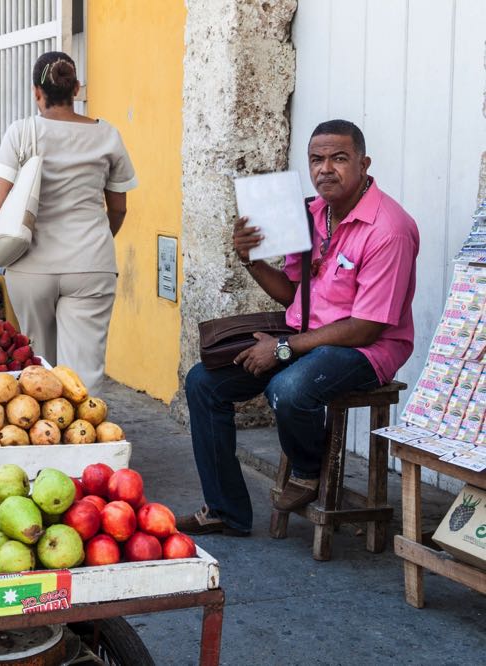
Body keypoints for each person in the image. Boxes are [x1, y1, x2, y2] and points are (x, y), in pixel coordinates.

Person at [177, 120, 420, 537]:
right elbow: (293, 295)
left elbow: (365, 327)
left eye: (339, 158)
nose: (326, 169)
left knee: (288, 389)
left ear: (364, 164)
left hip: (367, 348)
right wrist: (252, 260)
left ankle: (309, 470)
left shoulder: (389, 229)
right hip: (307, 335)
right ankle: (226, 510)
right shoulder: (308, 215)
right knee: (203, 382)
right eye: (317, 159)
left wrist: (285, 349)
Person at [0, 52, 136, 390]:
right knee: (84, 373)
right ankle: (89, 437)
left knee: (37, 368)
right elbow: (119, 208)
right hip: (90, 263)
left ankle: (46, 440)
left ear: (37, 92)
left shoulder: (22, 132)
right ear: (77, 89)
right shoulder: (107, 135)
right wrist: (96, 239)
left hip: (31, 264)